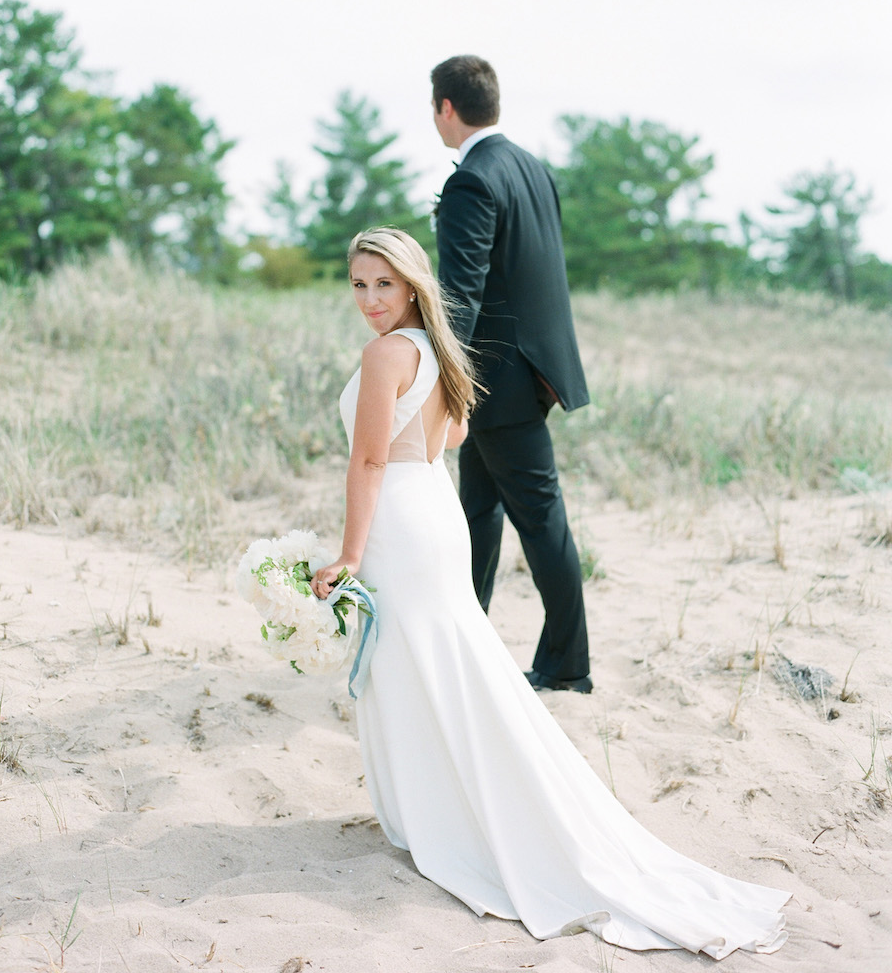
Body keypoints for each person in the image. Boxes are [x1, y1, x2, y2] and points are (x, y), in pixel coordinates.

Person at [310, 228, 788, 957]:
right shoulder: (438, 349)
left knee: (426, 670)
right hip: (433, 510)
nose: (369, 299)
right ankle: (464, 806)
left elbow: (370, 460)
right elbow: (455, 436)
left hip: (401, 524)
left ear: (410, 284)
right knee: (449, 668)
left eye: (382, 283)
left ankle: (454, 818)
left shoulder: (386, 354)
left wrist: (347, 555)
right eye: (357, 284)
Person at [431, 54, 591, 693]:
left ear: (446, 107)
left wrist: (447, 379)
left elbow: (460, 293)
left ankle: (566, 666)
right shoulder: (532, 167)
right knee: (476, 512)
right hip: (535, 370)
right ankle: (467, 646)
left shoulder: (472, 180)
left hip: (495, 379)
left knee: (541, 517)